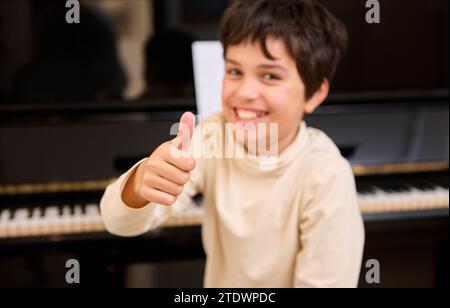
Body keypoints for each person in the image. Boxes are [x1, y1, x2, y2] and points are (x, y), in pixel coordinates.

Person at [100, 0, 365, 288]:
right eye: (235, 71)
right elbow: (118, 222)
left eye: (270, 75)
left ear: (314, 93)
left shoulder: (326, 175)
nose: (245, 92)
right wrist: (141, 182)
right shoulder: (214, 134)